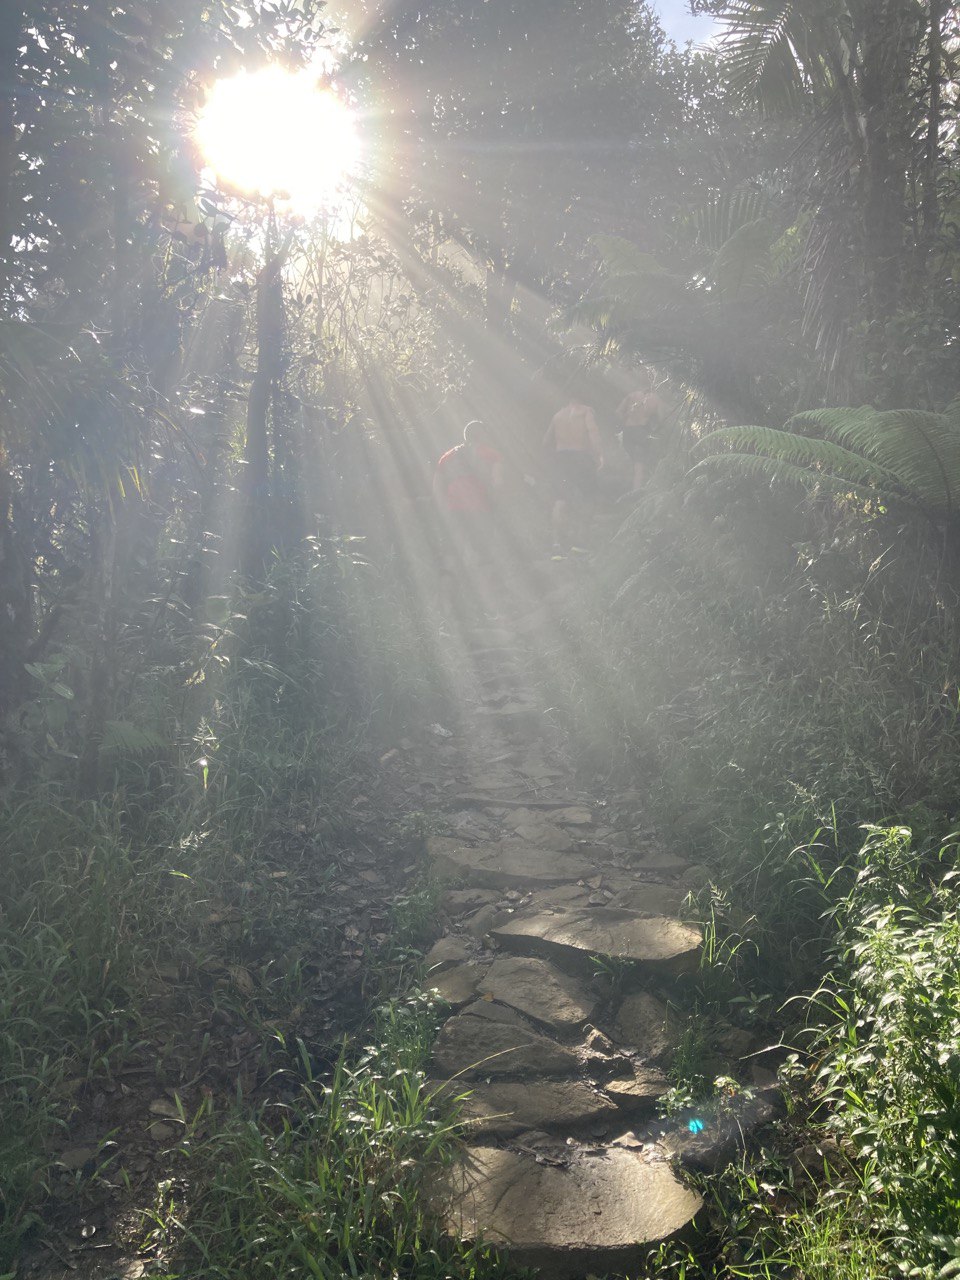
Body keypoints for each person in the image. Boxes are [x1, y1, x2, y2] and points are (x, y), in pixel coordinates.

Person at [433, 420, 504, 602]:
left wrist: (445, 510)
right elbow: (497, 483)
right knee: (483, 555)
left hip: (454, 509)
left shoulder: (447, 457)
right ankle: (488, 604)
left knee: (452, 554)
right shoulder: (491, 454)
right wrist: (496, 504)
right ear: (483, 436)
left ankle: (447, 604)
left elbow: (437, 487)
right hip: (480, 508)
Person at [542, 397, 603, 552]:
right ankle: (580, 543)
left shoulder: (557, 415)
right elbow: (593, 433)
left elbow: (546, 441)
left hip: (561, 458)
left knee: (560, 499)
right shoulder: (586, 411)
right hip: (581, 457)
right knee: (589, 497)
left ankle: (557, 543)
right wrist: (598, 455)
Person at [617, 370, 666, 490]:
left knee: (628, 459)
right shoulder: (656, 399)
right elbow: (662, 419)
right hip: (642, 432)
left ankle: (622, 490)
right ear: (653, 384)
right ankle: (636, 492)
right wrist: (655, 428)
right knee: (639, 465)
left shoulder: (632, 395)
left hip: (627, 431)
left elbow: (618, 412)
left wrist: (626, 418)